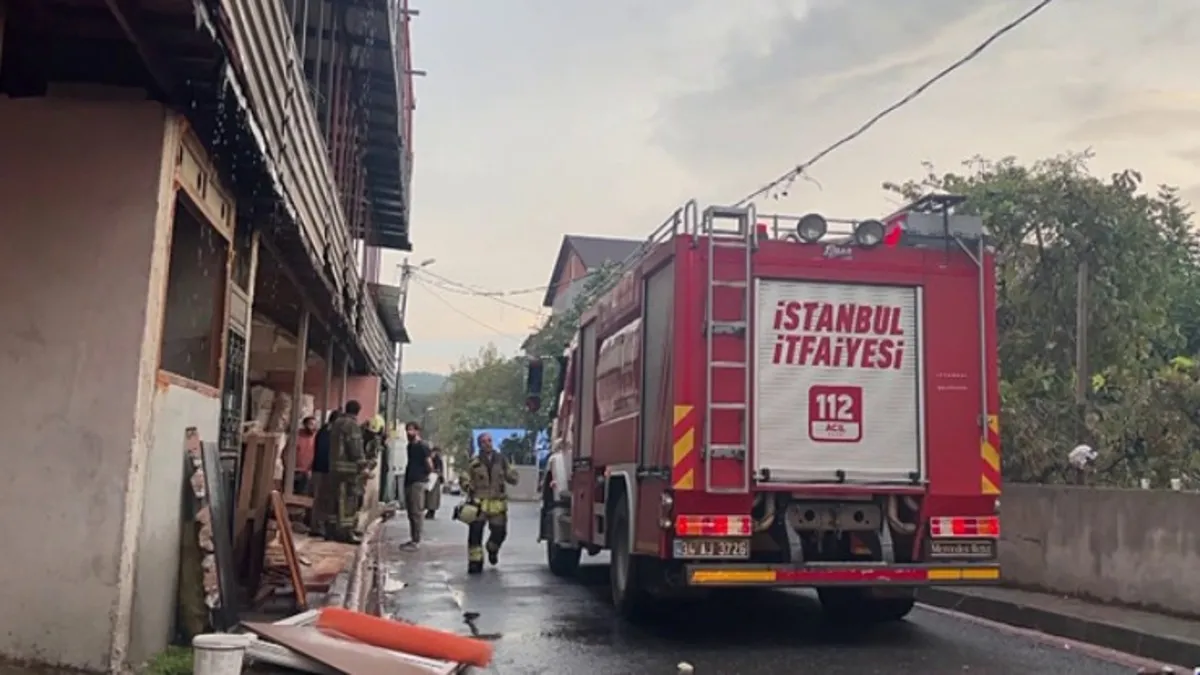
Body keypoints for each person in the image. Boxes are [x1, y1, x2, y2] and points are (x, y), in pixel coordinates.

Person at [461, 432, 519, 574]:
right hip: (478, 505)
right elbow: (464, 477)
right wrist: (467, 486)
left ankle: (492, 548)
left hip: (497, 504)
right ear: (479, 445)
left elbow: (512, 478)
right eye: (484, 441)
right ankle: (475, 562)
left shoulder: (501, 460)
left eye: (489, 440)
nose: (488, 444)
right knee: (475, 534)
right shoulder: (474, 462)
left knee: (500, 532)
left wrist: (513, 473)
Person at [326, 400, 366, 543]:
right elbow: (355, 447)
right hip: (348, 470)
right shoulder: (352, 425)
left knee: (334, 501)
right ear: (358, 411)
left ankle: (330, 531)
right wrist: (363, 464)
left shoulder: (336, 423)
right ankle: (346, 533)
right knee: (349, 501)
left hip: (333, 468)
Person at [402, 421, 433, 549]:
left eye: (411, 430)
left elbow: (429, 464)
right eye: (407, 430)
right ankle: (413, 538)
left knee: (416, 512)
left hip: (418, 481)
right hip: (409, 480)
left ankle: (416, 540)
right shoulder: (410, 446)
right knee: (410, 512)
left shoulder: (423, 446)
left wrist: (424, 475)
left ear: (417, 431)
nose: (409, 433)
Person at [310, 409, 339, 531]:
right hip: (323, 470)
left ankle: (319, 526)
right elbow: (326, 452)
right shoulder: (328, 433)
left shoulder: (324, 431)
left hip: (321, 469)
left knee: (322, 500)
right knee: (321, 500)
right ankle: (317, 527)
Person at [294, 416, 317, 495]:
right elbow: (286, 453)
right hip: (294, 471)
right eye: (311, 424)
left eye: (315, 425)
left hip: (307, 473)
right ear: (305, 425)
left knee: (303, 494)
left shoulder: (315, 438)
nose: (313, 427)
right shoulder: (297, 436)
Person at [425, 447, 445, 519]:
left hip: (433, 479)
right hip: (435, 479)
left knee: (432, 497)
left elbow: (436, 468)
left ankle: (430, 511)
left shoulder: (436, 458)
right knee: (433, 497)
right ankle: (431, 511)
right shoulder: (438, 459)